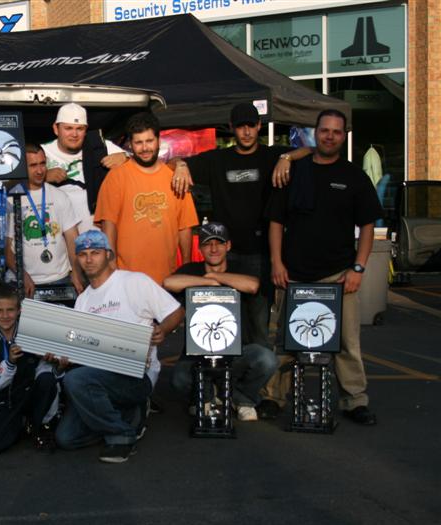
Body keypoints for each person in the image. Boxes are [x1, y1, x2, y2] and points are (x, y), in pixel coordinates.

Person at [262, 109, 383, 425]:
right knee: (285, 341)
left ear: (344, 136)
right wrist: (276, 262)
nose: (330, 136)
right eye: (324, 130)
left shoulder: (354, 177)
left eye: (336, 131)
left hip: (338, 275)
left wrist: (358, 268)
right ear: (315, 133)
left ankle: (354, 400)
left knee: (346, 343)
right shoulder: (293, 171)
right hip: (292, 274)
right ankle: (273, 396)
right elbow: (276, 221)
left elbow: (367, 226)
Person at [170, 103, 312, 347]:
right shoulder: (217, 159)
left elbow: (311, 151)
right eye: (240, 126)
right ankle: (226, 370)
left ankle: (259, 369)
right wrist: (182, 165)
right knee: (223, 320)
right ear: (231, 128)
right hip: (225, 255)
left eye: (251, 126)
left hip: (260, 255)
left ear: (259, 126)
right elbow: (170, 162)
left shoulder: (271, 156)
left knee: (258, 324)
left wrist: (287, 157)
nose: (246, 132)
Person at [55, 230, 184, 463]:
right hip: (98, 374)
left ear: (108, 254)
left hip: (136, 374)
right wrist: (64, 357)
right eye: (83, 254)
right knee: (66, 438)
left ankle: (122, 434)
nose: (89, 259)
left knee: (75, 380)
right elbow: (81, 347)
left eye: (95, 253)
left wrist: (163, 329)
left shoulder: (134, 281)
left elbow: (176, 311)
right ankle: (127, 415)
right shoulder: (83, 300)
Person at [164, 222, 277, 421]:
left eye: (219, 243)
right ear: (200, 248)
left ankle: (241, 398)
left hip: (235, 352)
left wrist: (216, 275)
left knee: (266, 359)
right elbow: (169, 282)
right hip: (197, 353)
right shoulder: (192, 269)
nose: (214, 249)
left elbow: (252, 285)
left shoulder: (240, 268)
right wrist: (208, 280)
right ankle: (207, 396)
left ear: (228, 246)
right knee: (179, 379)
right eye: (208, 244)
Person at [95, 112, 199, 285]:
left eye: (149, 141)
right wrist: (112, 268)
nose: (145, 148)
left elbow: (185, 226)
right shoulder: (116, 176)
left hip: (167, 279)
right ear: (130, 144)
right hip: (127, 278)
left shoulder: (176, 177)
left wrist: (186, 267)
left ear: (158, 141)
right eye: (138, 142)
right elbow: (108, 225)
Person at [0, 286, 60, 454]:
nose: (5, 315)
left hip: (31, 396)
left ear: (19, 311)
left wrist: (55, 363)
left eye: (10, 310)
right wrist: (9, 363)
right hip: (7, 401)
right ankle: (20, 425)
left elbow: (48, 373)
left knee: (47, 379)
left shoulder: (31, 335)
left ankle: (40, 424)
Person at [6, 143, 84, 299]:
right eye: (33, 165)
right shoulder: (11, 199)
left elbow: (72, 239)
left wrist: (76, 272)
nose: (40, 170)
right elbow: (7, 249)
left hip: (60, 278)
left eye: (42, 164)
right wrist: (22, 275)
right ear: (22, 167)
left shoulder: (59, 195)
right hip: (24, 282)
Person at [42, 103, 129, 232]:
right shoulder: (42, 153)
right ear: (56, 129)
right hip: (57, 234)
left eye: (80, 129)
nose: (74, 134)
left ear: (86, 130)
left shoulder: (100, 146)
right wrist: (42, 176)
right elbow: (14, 183)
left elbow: (140, 164)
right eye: (68, 128)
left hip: (98, 235)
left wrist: (125, 158)